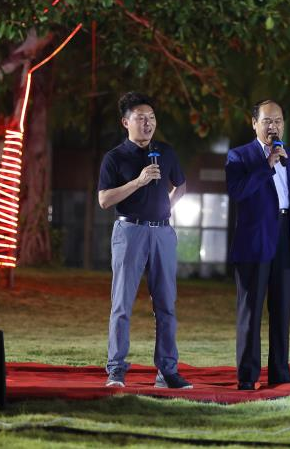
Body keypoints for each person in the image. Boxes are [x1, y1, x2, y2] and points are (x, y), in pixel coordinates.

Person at [97, 91, 192, 389]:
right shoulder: (115, 157)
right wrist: (138, 182)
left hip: (162, 232)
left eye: (151, 117)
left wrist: (166, 209)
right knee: (122, 304)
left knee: (166, 305)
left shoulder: (166, 152)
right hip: (130, 232)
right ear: (126, 122)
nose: (148, 123)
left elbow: (181, 186)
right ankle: (116, 369)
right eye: (141, 118)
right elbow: (104, 200)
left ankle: (167, 371)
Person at [225, 100, 290, 391]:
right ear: (254, 123)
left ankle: (280, 375)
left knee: (282, 311)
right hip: (255, 239)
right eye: (267, 121)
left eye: (278, 121)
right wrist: (266, 165)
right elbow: (237, 192)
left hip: (286, 236)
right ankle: (248, 376)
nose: (274, 126)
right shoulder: (239, 156)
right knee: (251, 311)